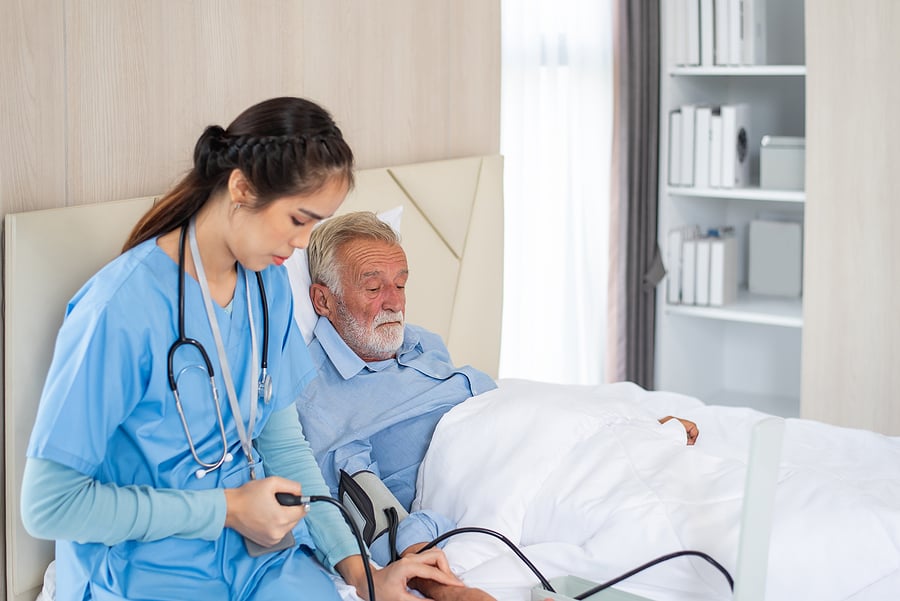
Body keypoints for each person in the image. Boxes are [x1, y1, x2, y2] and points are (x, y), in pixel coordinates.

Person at [20, 97, 463, 601]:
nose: (301, 244)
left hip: (254, 562)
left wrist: (363, 576)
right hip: (145, 571)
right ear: (241, 187)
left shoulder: (266, 287)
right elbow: (48, 504)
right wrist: (226, 508)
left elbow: (284, 447)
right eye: (298, 219)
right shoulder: (119, 311)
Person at [295, 212, 699, 596]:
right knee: (671, 538)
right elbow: (365, 508)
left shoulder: (421, 342)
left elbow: (506, 414)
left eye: (400, 285)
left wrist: (624, 424)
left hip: (547, 444)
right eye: (372, 287)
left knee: (679, 489)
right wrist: (435, 580)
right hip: (498, 482)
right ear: (322, 301)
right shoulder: (319, 395)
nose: (394, 302)